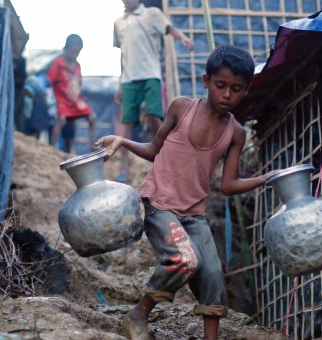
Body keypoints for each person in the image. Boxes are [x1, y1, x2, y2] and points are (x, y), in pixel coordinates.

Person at [95, 45, 279, 340]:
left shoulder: (236, 133)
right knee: (184, 259)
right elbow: (155, 150)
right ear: (207, 82)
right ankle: (138, 314)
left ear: (246, 91)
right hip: (159, 203)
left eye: (236, 89)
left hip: (194, 214)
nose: (227, 95)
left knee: (213, 277)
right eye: (220, 86)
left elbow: (229, 185)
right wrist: (123, 140)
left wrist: (266, 178)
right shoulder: (182, 107)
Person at [113, 0, 194, 182]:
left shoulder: (152, 14)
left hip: (151, 73)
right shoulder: (119, 22)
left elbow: (169, 28)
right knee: (126, 123)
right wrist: (119, 82)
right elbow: (122, 54)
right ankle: (123, 168)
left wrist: (183, 38)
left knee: (153, 115)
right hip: (128, 78)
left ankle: (164, 157)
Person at [46, 34, 96, 152]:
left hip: (76, 101)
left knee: (92, 117)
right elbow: (49, 82)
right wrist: (52, 101)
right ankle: (51, 149)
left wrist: (81, 98)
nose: (74, 54)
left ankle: (94, 146)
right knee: (61, 119)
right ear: (66, 49)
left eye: (77, 52)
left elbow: (78, 85)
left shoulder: (77, 65)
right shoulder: (58, 63)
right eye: (72, 51)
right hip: (61, 100)